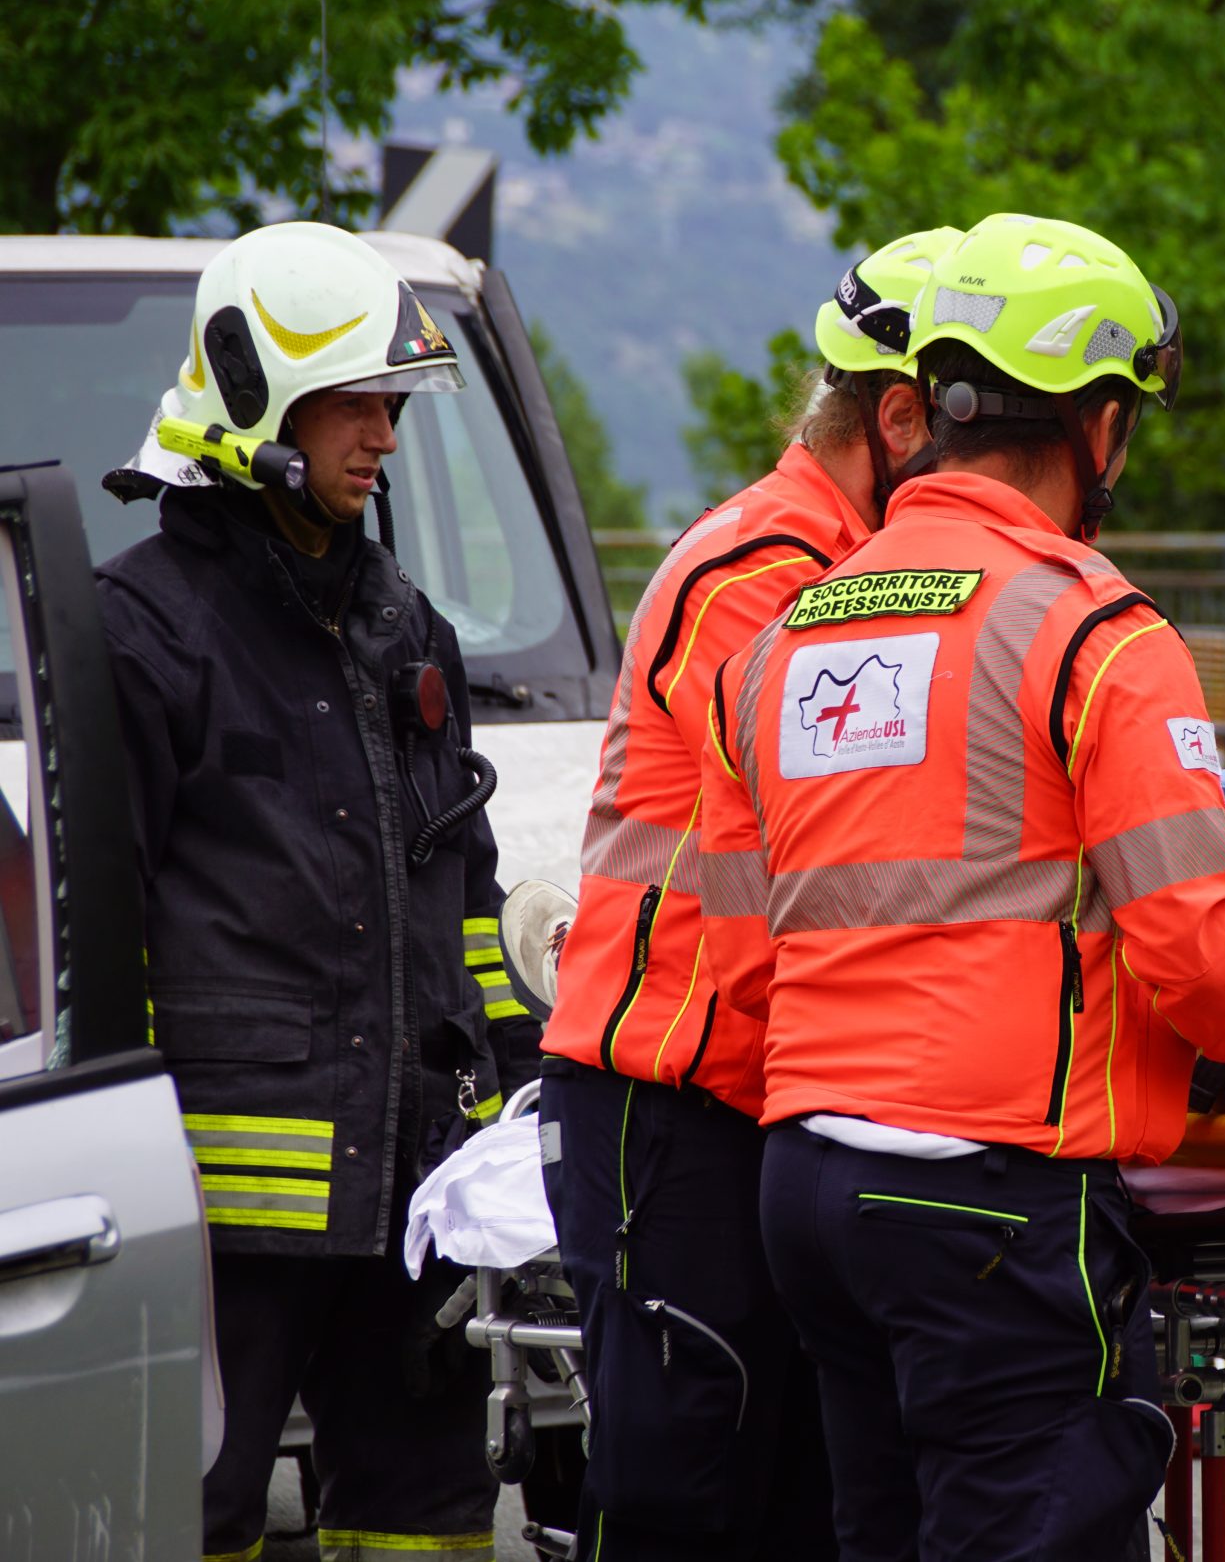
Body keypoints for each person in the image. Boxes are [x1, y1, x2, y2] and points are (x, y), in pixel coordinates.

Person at [694, 212, 1225, 1562]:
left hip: (807, 1180)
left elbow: (737, 935)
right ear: (1100, 423)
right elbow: (1198, 948)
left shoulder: (791, 629)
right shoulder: (1095, 628)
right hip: (988, 1199)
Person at [94, 221, 539, 1562]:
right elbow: (98, 929)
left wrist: (521, 1086)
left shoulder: (409, 626)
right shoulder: (142, 629)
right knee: (197, 1519)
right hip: (225, 1219)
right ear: (257, 400)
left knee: (432, 1525)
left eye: (392, 404)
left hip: (411, 1197)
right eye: (357, 401)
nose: (385, 437)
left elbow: (463, 880)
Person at [523, 227, 956, 1561]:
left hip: (756, 1098)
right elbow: (799, 869)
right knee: (685, 1497)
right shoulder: (766, 580)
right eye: (980, 440)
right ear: (896, 421)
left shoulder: (837, 567)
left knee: (797, 1496)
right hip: (675, 1101)